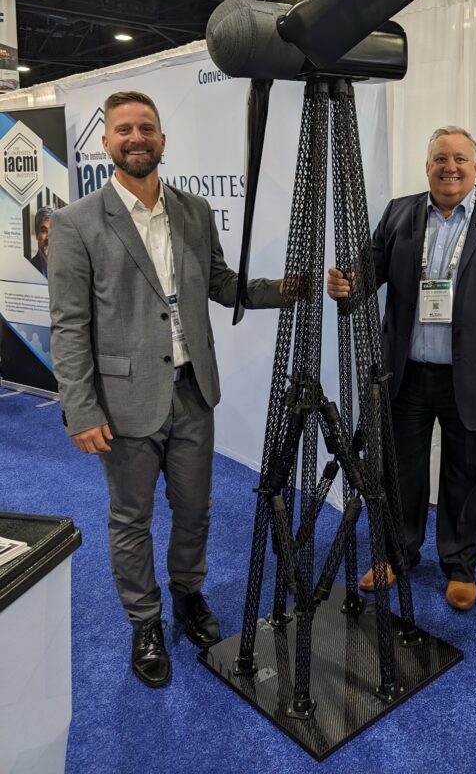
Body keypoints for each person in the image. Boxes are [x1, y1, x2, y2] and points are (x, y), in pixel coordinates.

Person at [49, 90, 287, 688]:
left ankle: (187, 595)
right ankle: (145, 622)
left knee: (194, 510)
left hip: (192, 391)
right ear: (106, 143)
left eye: (147, 128)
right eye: (124, 129)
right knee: (130, 519)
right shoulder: (77, 223)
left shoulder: (194, 210)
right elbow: (70, 324)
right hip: (123, 400)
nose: (137, 138)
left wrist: (286, 288)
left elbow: (221, 283)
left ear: (162, 139)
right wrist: (80, 407)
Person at [327, 126, 476, 611]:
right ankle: (399, 553)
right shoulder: (400, 212)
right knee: (401, 473)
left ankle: (460, 565)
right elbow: (369, 271)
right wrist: (346, 284)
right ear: (427, 165)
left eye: (459, 159)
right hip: (406, 374)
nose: (448, 167)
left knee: (468, 476)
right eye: (439, 158)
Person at [30, 205, 52, 277]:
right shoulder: (28, 268)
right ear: (37, 235)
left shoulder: (68, 268)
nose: (48, 237)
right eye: (43, 231)